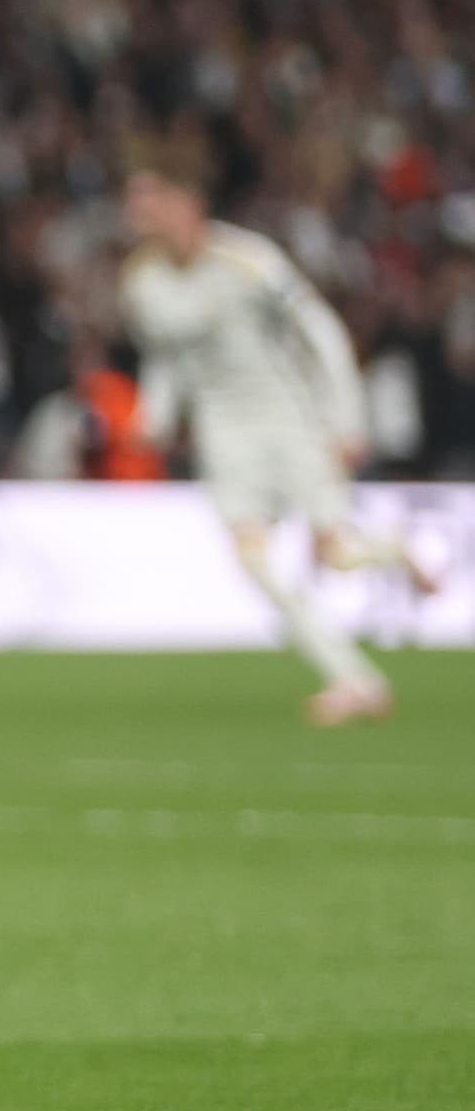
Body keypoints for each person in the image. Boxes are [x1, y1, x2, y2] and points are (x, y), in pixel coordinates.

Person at [119, 165, 436, 723]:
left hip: (289, 419)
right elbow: (166, 356)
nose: (138, 214)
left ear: (187, 201)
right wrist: (156, 414)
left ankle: (398, 551)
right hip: (223, 434)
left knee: (336, 556)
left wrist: (347, 420)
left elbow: (322, 330)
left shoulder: (249, 260)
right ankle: (354, 680)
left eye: (150, 200)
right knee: (254, 560)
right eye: (134, 203)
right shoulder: (142, 283)